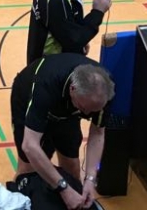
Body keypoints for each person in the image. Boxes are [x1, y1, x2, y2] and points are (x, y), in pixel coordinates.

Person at [10, 54, 114, 209]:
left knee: (72, 167)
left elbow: (98, 134)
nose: (87, 115)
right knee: (28, 171)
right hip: (29, 102)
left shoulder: (103, 93)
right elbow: (30, 146)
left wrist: (90, 179)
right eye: (84, 109)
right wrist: (63, 188)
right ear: (72, 89)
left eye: (93, 111)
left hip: (68, 113)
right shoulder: (46, 85)